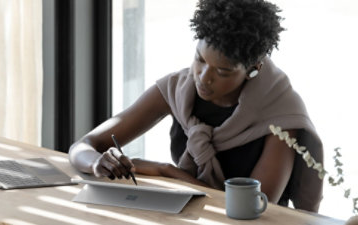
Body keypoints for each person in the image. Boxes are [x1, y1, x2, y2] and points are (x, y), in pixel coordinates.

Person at [69, 0, 324, 212]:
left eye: (223, 71)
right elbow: (82, 146)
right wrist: (96, 164)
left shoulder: (280, 112)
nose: (203, 77)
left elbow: (252, 207)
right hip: (190, 215)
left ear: (253, 69)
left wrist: (166, 171)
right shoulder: (178, 88)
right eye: (199, 59)